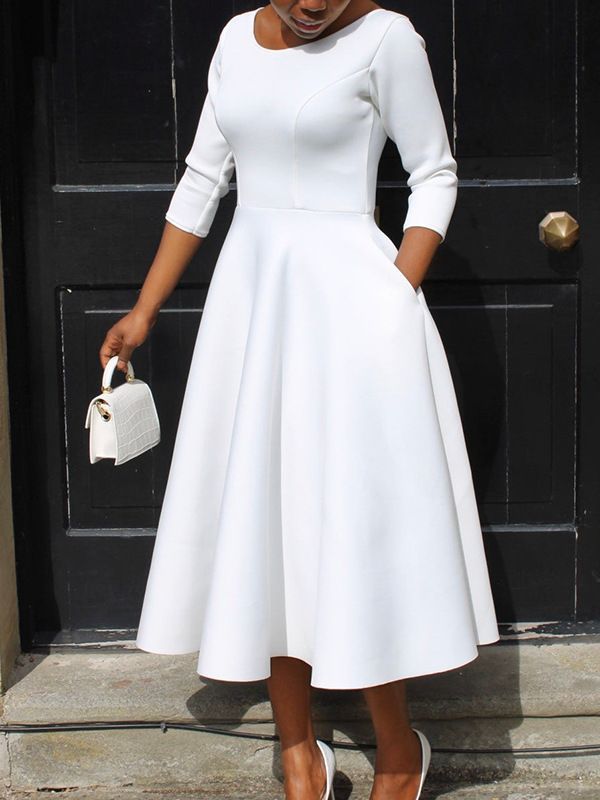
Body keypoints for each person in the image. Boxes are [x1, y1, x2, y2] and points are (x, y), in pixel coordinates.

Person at [99, 2, 500, 798]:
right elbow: (204, 179)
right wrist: (144, 310)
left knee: (349, 525)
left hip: (359, 311)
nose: (312, 3)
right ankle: (297, 752)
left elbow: (434, 173)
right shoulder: (232, 40)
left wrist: (395, 291)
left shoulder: (388, 39)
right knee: (268, 525)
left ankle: (397, 751)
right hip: (254, 307)